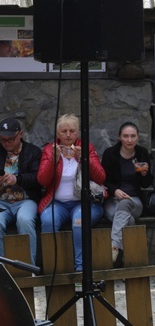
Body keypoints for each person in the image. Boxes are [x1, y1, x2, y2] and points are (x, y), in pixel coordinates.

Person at [38, 114, 106, 272]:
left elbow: (101, 177)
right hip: (58, 203)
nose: (68, 135)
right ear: (57, 133)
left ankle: (80, 268)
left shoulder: (86, 147)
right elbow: (42, 180)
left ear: (77, 133)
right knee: (48, 220)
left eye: (72, 131)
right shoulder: (50, 150)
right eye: (64, 131)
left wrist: (84, 159)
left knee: (78, 221)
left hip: (84, 202)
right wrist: (53, 161)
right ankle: (53, 268)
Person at [101, 122, 154, 267]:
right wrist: (115, 191)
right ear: (120, 137)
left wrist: (144, 174)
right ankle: (125, 263)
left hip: (134, 201)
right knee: (128, 221)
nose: (129, 140)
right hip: (113, 199)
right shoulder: (110, 154)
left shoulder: (142, 153)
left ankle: (114, 245)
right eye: (126, 136)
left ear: (137, 138)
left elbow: (146, 183)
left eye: (133, 136)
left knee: (125, 204)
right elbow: (103, 179)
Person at [0, 118, 42, 265]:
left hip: (26, 200)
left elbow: (38, 178)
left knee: (25, 220)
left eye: (10, 139)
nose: (6, 143)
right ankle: (2, 272)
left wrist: (17, 179)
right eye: (3, 140)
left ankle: (29, 268)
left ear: (21, 134)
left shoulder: (33, 151)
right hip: (2, 201)